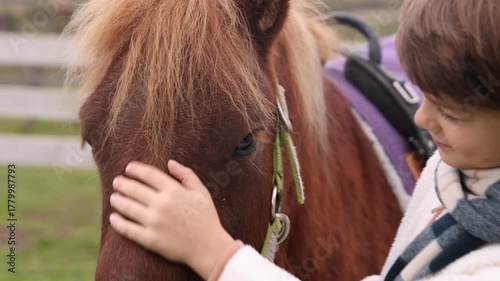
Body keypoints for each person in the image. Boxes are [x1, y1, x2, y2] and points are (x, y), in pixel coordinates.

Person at [107, 0, 500, 280]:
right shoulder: (452, 167)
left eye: (451, 112)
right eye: (424, 95)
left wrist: (218, 257)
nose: (422, 117)